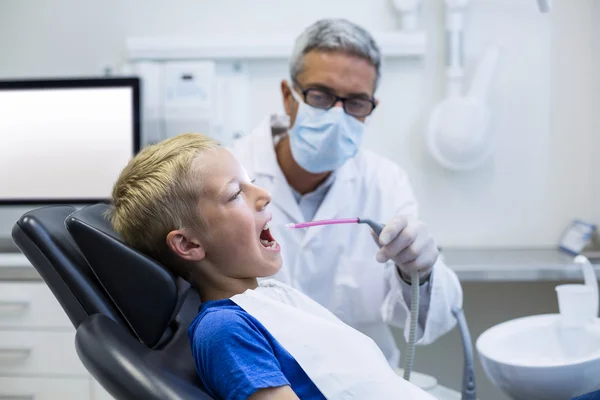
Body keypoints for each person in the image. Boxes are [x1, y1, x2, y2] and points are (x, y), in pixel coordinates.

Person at [108, 133, 436, 400]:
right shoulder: (223, 329)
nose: (264, 194)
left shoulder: (267, 299)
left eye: (251, 181)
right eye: (236, 193)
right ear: (189, 244)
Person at [228, 18, 463, 366]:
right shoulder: (230, 175)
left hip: (361, 383)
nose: (338, 115)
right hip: (261, 380)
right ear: (288, 96)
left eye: (355, 102)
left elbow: (430, 320)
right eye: (321, 96)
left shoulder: (385, 183)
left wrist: (420, 271)